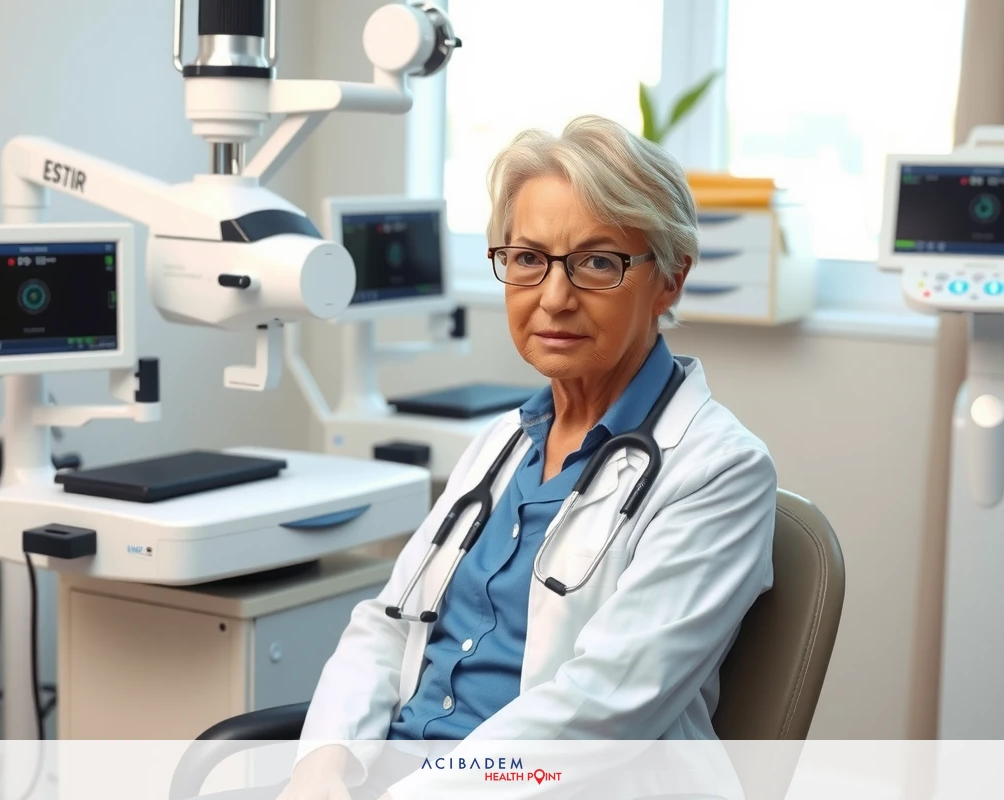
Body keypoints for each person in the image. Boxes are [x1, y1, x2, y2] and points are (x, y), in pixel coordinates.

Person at [284, 115, 777, 799]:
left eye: (598, 262)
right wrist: (323, 770)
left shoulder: (720, 471)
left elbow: (602, 707)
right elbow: (386, 627)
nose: (553, 296)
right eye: (527, 259)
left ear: (670, 279)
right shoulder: (499, 445)